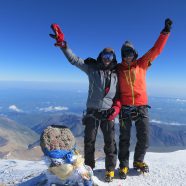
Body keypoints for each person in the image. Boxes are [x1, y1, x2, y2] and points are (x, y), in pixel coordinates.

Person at [49, 24, 121, 182]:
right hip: (92, 112)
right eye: (104, 55)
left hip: (108, 113)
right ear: (100, 56)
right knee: (89, 142)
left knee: (110, 143)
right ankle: (89, 169)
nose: (106, 58)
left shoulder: (117, 75)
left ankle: (110, 169)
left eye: (110, 56)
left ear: (113, 58)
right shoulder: (92, 69)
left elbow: (120, 96)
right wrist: (63, 45)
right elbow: (74, 60)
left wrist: (115, 109)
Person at [117, 18, 172, 179]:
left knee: (145, 137)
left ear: (135, 54)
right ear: (122, 55)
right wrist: (95, 63)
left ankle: (138, 161)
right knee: (124, 139)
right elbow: (104, 66)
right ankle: (124, 165)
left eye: (131, 53)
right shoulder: (118, 68)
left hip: (141, 106)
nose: (128, 56)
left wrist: (165, 32)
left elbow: (156, 50)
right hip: (125, 108)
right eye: (125, 54)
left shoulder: (142, 64)